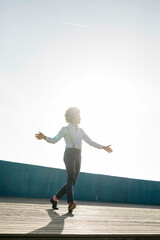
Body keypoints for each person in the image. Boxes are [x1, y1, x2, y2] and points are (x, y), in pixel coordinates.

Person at [35, 107, 112, 213]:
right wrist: (45, 137)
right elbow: (54, 140)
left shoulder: (81, 131)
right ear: (73, 116)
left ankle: (54, 199)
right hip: (69, 154)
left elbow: (90, 142)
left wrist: (103, 147)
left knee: (72, 182)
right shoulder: (65, 129)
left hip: (78, 155)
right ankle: (70, 203)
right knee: (70, 177)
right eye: (78, 115)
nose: (80, 117)